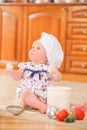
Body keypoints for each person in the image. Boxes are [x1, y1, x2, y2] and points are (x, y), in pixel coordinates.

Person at [10, 32, 64, 114]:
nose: (33, 50)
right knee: (25, 94)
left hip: (42, 97)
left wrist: (55, 72)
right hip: (25, 97)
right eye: (33, 47)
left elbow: (58, 79)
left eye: (38, 48)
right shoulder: (25, 66)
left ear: (46, 57)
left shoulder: (48, 68)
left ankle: (39, 104)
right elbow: (16, 77)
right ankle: (42, 107)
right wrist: (11, 71)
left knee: (58, 97)